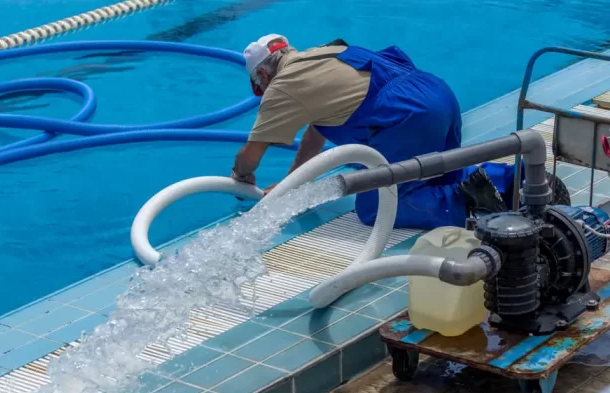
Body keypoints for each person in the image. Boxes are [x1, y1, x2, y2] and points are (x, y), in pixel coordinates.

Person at [230, 34, 569, 230]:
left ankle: (467, 203)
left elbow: (250, 156)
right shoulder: (325, 53)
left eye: (258, 86)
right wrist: (294, 183)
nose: (262, 91)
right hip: (438, 95)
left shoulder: (284, 86)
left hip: (406, 116)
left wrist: (240, 176)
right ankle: (519, 181)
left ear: (263, 73)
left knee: (378, 205)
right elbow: (315, 136)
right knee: (436, 175)